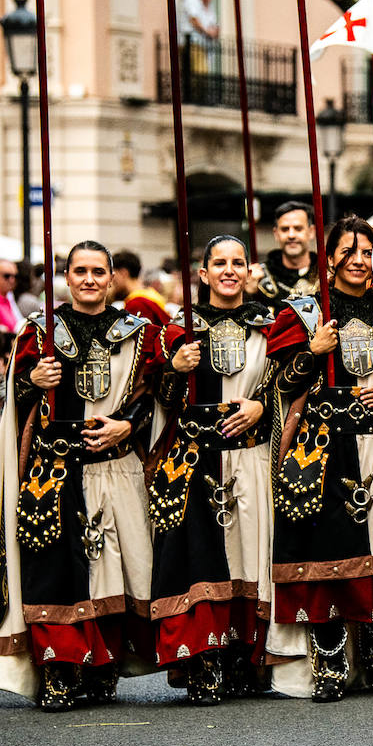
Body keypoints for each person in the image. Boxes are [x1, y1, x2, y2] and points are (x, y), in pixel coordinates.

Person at [0, 241, 162, 710]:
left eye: (98, 271)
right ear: (67, 278)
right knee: (55, 573)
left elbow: (152, 395)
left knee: (117, 568)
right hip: (55, 471)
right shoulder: (41, 331)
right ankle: (59, 670)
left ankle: (103, 664)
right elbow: (18, 400)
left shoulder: (140, 333)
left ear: (112, 278)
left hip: (116, 467)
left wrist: (128, 424)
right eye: (80, 271)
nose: (89, 279)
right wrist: (33, 382)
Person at [266, 216, 373, 702]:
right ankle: (328, 652)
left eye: (366, 252)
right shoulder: (306, 313)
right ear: (328, 257)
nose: (357, 260)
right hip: (325, 446)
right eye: (347, 251)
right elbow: (280, 385)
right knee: (328, 550)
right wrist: (312, 352)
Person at [147, 235, 274, 705]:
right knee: (198, 560)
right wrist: (175, 368)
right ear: (201, 274)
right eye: (218, 263)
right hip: (193, 462)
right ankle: (203, 660)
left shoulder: (270, 323)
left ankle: (246, 658)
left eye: (236, 262)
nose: (228, 270)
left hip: (251, 457)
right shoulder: (177, 328)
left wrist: (262, 406)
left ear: (248, 270)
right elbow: (156, 400)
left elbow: (286, 383)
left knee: (248, 556)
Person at [251, 202, 319, 312]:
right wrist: (248, 294)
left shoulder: (326, 274)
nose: (291, 235)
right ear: (276, 233)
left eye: (298, 228)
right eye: (285, 229)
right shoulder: (260, 277)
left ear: (311, 232)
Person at [112, 250, 171, 324]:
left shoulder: (136, 304)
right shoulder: (153, 294)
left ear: (123, 273)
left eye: (114, 275)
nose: (112, 280)